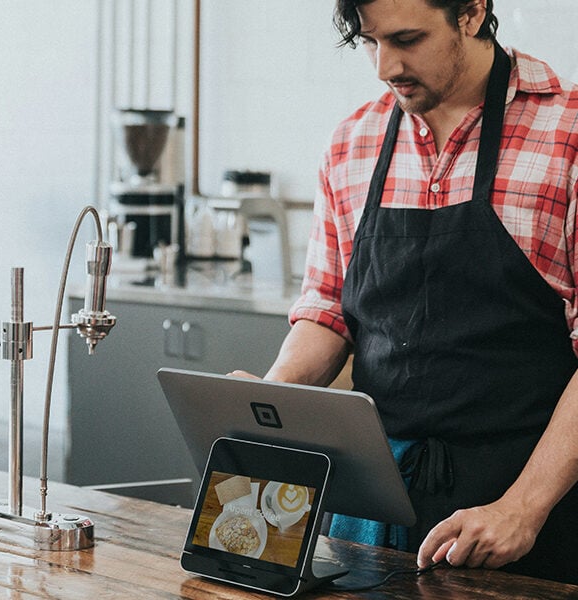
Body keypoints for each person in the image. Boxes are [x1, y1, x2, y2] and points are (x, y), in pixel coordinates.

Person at [232, 0, 578, 584]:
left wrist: (522, 507)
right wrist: (271, 400)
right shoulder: (352, 142)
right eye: (369, 42)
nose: (384, 66)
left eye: (407, 39)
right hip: (376, 498)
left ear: (471, 12)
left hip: (528, 504)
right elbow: (327, 311)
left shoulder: (567, 133)